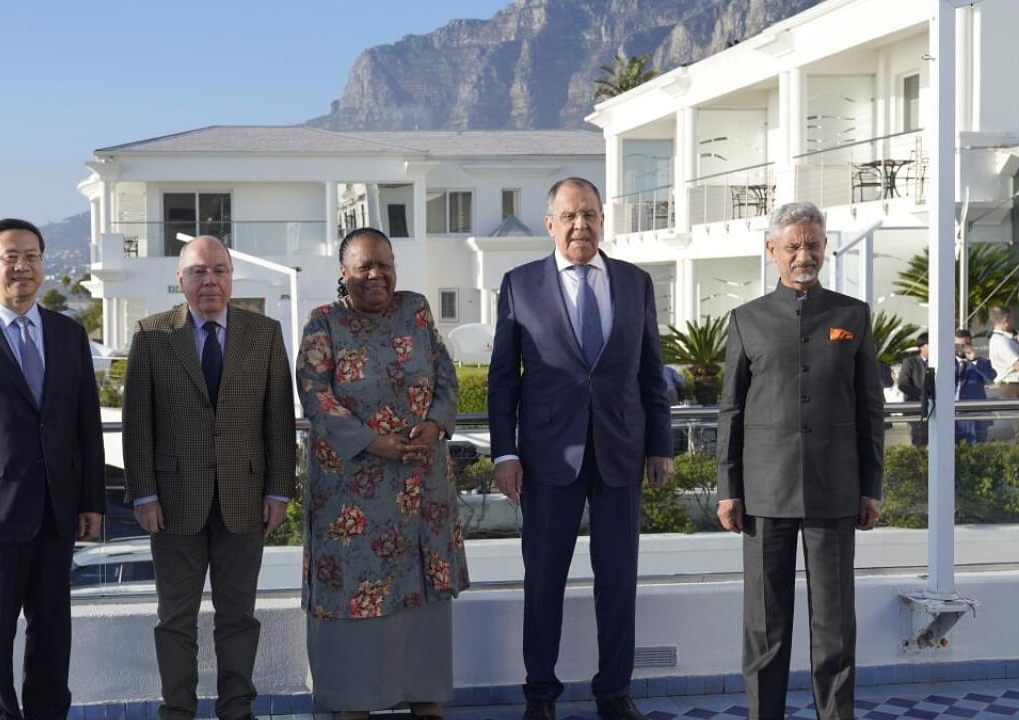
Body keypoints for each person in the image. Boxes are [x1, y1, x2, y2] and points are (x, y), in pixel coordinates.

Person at [487, 177, 673, 720]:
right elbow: (504, 380)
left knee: (618, 584)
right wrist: (505, 453)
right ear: (550, 224)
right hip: (546, 459)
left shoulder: (635, 283)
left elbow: (650, 373)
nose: (580, 225)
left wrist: (660, 445)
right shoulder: (520, 285)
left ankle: (614, 693)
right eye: (569, 216)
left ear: (602, 220)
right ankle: (540, 695)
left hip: (621, 454)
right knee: (543, 583)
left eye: (589, 214)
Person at [0, 218, 106, 720]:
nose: (22, 266)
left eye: (32, 256)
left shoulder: (70, 334)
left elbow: (86, 427)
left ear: (43, 266)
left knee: (53, 632)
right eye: (11, 256)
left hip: (58, 510)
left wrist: (92, 501)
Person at [716, 201, 883, 720]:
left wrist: (871, 486)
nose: (803, 254)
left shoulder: (852, 315)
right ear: (772, 251)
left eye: (812, 244)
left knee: (834, 629)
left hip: (836, 494)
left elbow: (870, 407)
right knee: (765, 631)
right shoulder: (746, 321)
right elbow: (731, 410)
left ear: (825, 246)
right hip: (764, 496)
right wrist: (728, 488)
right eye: (792, 246)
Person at [121, 235, 297, 720]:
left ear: (231, 277)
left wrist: (280, 490)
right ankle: (177, 710)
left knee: (237, 617)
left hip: (246, 497)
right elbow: (137, 425)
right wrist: (144, 495)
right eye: (198, 271)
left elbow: (279, 420)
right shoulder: (151, 336)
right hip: (173, 501)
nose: (210, 280)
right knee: (175, 619)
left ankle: (236, 708)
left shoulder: (263, 334)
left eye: (219, 269)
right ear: (180, 280)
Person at [296, 228, 468, 719]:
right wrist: (374, 442)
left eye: (384, 264)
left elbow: (445, 376)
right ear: (343, 274)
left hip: (420, 493)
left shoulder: (415, 310)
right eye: (364, 266)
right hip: (353, 503)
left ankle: (425, 701)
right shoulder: (324, 323)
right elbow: (316, 396)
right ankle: (354, 706)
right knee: (355, 606)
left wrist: (435, 426)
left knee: (421, 607)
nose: (376, 275)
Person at [955, 329, 996, 444]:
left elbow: (990, 378)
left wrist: (974, 360)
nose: (961, 348)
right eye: (958, 345)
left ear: (971, 345)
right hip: (950, 415)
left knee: (976, 454)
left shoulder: (980, 362)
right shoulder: (946, 363)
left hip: (975, 417)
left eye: (965, 345)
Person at [897, 333, 930, 446]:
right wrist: (922, 395)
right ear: (921, 346)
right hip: (917, 410)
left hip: (935, 409)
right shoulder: (910, 362)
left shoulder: (941, 362)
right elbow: (902, 384)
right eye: (930, 344)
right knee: (919, 442)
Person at [987, 306, 1019, 399]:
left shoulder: (1006, 339)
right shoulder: (1001, 341)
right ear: (1006, 319)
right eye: (1012, 318)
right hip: (1012, 387)